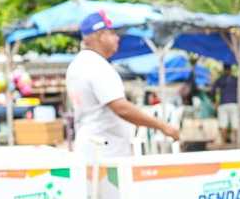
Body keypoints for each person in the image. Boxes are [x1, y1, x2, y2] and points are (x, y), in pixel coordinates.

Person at [65, 11, 179, 158]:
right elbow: (121, 108)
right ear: (100, 36)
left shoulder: (78, 64)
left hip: (91, 145)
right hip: (104, 151)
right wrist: (163, 126)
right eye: (112, 33)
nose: (117, 38)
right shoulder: (97, 66)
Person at [213, 64, 240, 144]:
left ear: (224, 70)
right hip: (234, 103)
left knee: (223, 124)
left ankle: (224, 143)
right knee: (235, 124)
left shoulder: (220, 79)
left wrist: (214, 101)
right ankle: (236, 142)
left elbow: (213, 90)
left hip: (223, 103)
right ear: (230, 70)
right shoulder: (236, 79)